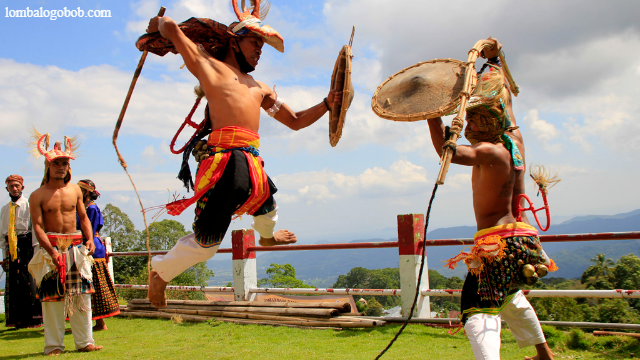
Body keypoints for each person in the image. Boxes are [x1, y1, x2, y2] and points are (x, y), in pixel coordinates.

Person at [140, 1, 341, 308]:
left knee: (268, 206)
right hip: (224, 161)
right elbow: (171, 29)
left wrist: (327, 104)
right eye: (255, 43)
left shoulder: (261, 89)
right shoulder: (209, 67)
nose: (260, 50)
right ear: (234, 42)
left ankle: (267, 237)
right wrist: (159, 25)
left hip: (251, 160)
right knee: (206, 246)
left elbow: (296, 121)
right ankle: (160, 274)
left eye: (263, 45)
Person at [427, 40, 555, 360]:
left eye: (471, 120)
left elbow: (448, 151)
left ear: (483, 123)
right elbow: (506, 102)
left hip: (496, 245)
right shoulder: (514, 141)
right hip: (523, 242)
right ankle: (544, 354)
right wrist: (495, 60)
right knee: (510, 298)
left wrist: (431, 115)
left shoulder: (488, 151)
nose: (467, 125)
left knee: (477, 312)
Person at [27, 131, 102, 355]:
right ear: (47, 166)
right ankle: (53, 346)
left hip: (75, 248)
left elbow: (84, 217)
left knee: (81, 296)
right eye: (57, 163)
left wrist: (89, 238)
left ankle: (85, 342)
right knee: (51, 300)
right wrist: (50, 251)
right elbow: (38, 227)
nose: (61, 167)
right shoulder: (37, 195)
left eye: (64, 163)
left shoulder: (76, 190)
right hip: (51, 249)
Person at [76, 180, 120, 331]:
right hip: (83, 245)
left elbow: (89, 228)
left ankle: (100, 323)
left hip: (91, 247)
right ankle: (91, 322)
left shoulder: (91, 209)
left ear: (85, 192)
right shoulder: (83, 208)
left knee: (96, 285)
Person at [1, 174, 43, 329]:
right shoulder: (5, 209)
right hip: (10, 247)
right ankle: (15, 319)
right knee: (13, 284)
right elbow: (1, 235)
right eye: (11, 186)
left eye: (16, 185)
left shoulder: (29, 205)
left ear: (22, 187)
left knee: (29, 281)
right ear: (7, 189)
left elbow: (35, 228)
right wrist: (5, 255)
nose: (14, 188)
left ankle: (33, 319)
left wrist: (36, 251)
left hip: (26, 245)